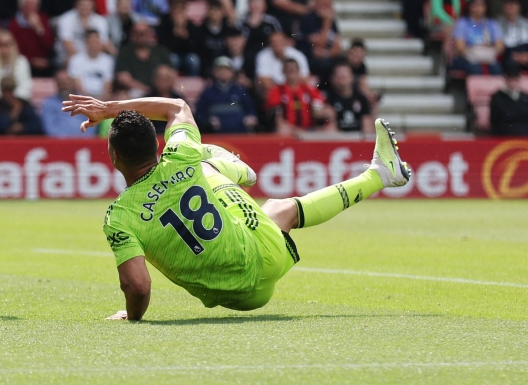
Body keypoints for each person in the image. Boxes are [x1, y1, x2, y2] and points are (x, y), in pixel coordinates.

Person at [62, 95, 411, 320]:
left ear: (113, 156)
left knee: (279, 210)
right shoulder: (179, 154)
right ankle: (238, 169)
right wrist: (109, 108)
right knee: (207, 168)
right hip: (266, 255)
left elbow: (138, 287)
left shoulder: (118, 217)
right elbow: (178, 107)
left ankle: (381, 173)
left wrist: (132, 316)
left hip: (241, 299)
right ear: (156, 145)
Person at [195, 57, 258, 134]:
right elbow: (199, 114)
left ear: (232, 72)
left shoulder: (240, 91)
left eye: (226, 69)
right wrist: (208, 121)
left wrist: (250, 118)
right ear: (214, 72)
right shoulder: (207, 92)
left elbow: (251, 110)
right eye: (220, 69)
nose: (223, 72)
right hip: (216, 136)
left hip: (239, 134)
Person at [489, 62, 528, 135]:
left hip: (526, 126)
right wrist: (526, 112)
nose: (513, 83)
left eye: (515, 79)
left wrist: (520, 112)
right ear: (505, 79)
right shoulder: (498, 96)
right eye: (510, 79)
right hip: (506, 129)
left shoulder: (525, 96)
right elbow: (505, 115)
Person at [326, 62, 374, 134]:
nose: (342, 79)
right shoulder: (328, 98)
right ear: (333, 78)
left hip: (358, 137)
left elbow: (367, 120)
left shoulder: (361, 98)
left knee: (368, 123)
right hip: (338, 138)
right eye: (339, 76)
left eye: (345, 76)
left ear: (352, 77)